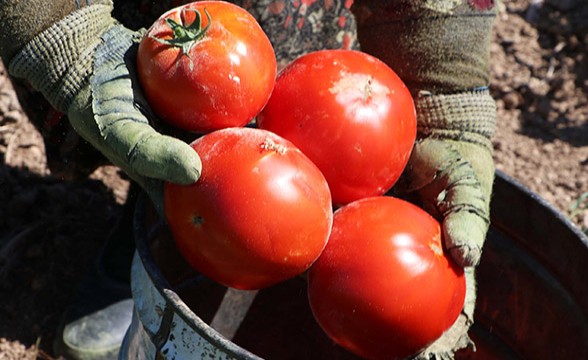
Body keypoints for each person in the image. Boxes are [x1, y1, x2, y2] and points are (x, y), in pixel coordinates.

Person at [0, 0, 498, 358]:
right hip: (150, 35)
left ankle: (173, 208)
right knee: (152, 123)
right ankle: (151, 205)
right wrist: (58, 29)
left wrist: (443, 88)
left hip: (252, 77)